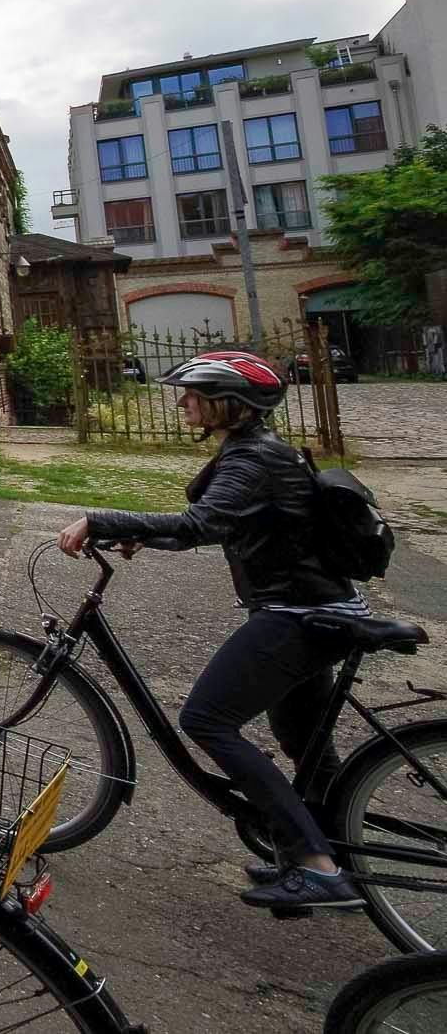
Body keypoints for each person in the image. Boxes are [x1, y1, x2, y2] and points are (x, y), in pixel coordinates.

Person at [57, 348, 366, 913]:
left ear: (234, 404)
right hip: (319, 609)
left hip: (297, 615)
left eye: (195, 394)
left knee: (206, 719)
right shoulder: (254, 452)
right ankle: (324, 850)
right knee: (305, 745)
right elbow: (222, 526)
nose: (184, 403)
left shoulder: (252, 459)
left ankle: (319, 871)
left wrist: (104, 519)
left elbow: (202, 523)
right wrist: (148, 536)